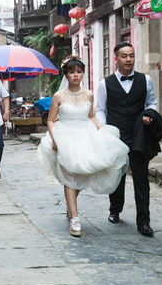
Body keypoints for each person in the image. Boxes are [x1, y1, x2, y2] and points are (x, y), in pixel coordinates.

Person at [36, 57, 129, 237]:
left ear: (82, 74)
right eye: (72, 72)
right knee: (69, 175)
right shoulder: (59, 96)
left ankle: (70, 206)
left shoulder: (89, 94)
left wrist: (101, 128)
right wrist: (55, 139)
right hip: (65, 136)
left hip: (85, 135)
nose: (76, 75)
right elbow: (51, 120)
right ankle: (75, 218)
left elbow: (91, 115)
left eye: (79, 72)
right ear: (67, 75)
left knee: (84, 172)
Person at [94, 41, 158, 236]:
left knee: (141, 178)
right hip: (116, 135)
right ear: (116, 59)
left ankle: (144, 222)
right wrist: (106, 131)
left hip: (139, 134)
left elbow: (152, 102)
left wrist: (149, 114)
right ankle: (115, 209)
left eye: (131, 55)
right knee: (117, 174)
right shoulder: (105, 84)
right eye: (124, 56)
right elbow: (99, 109)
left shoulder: (145, 80)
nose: (128, 59)